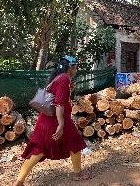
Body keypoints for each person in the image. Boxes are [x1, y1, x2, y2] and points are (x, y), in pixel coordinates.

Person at [13, 55, 92, 186]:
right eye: (76, 66)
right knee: (75, 142)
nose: (77, 69)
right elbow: (59, 104)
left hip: (45, 120)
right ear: (70, 67)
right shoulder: (64, 79)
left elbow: (58, 97)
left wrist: (69, 90)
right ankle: (77, 174)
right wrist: (61, 124)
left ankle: (19, 181)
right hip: (56, 120)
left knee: (40, 149)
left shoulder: (59, 78)